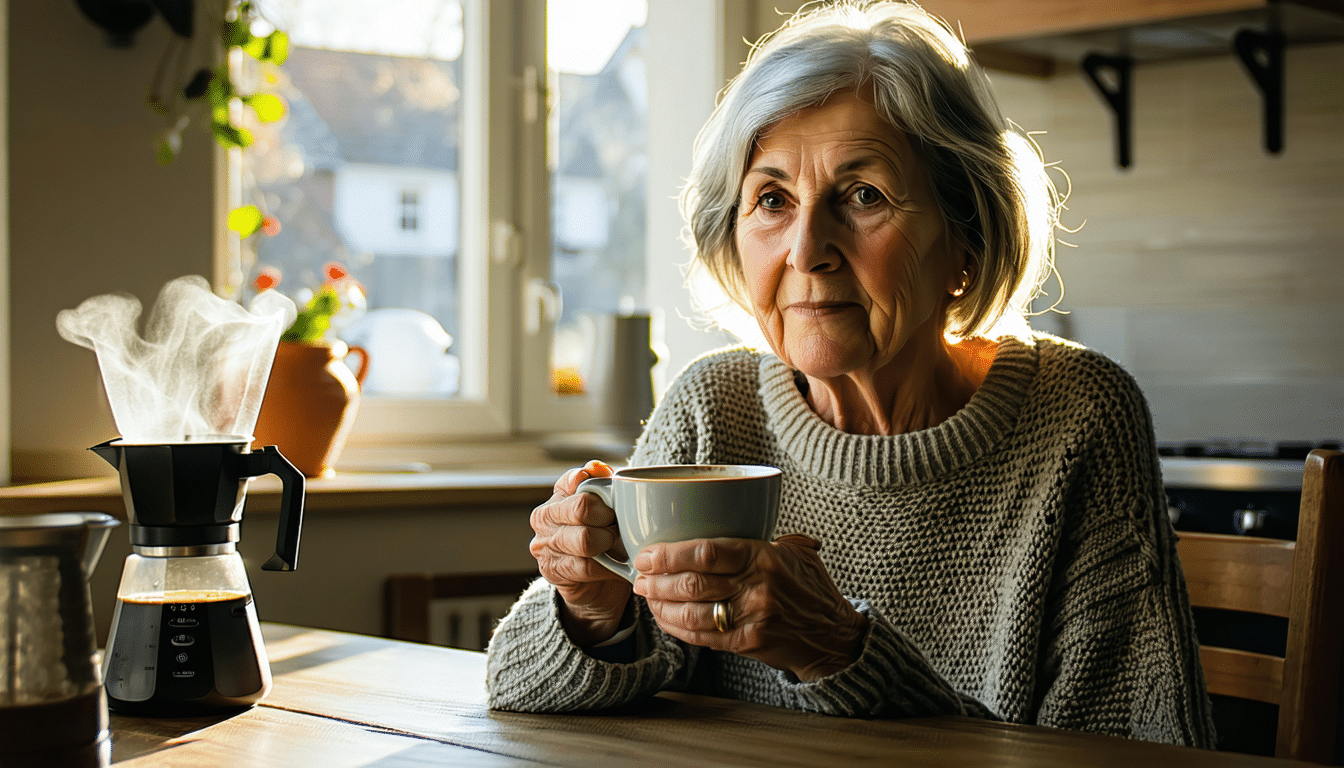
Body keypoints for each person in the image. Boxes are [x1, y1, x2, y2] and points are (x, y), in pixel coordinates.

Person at [486, 0, 1215, 747]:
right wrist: (590, 610)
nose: (807, 250)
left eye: (864, 196)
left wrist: (840, 652)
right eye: (772, 199)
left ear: (965, 240)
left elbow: (1133, 752)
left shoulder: (1076, 417)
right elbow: (515, 692)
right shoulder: (715, 406)